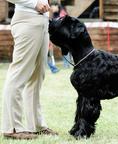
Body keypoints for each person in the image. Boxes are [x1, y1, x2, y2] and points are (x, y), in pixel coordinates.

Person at [1, 0, 58, 140]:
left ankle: (36, 125)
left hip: (43, 21)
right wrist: (34, 3)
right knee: (18, 74)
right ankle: (12, 127)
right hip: (27, 20)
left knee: (37, 77)